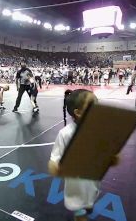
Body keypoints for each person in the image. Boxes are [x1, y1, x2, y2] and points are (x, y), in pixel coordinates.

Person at [48, 89, 118, 221]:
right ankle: (80, 213)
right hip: (77, 185)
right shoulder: (66, 133)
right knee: (80, 209)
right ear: (78, 112)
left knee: (91, 195)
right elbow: (55, 158)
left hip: (93, 178)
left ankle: (87, 204)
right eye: (93, 105)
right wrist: (55, 166)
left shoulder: (98, 130)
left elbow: (105, 152)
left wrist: (111, 157)